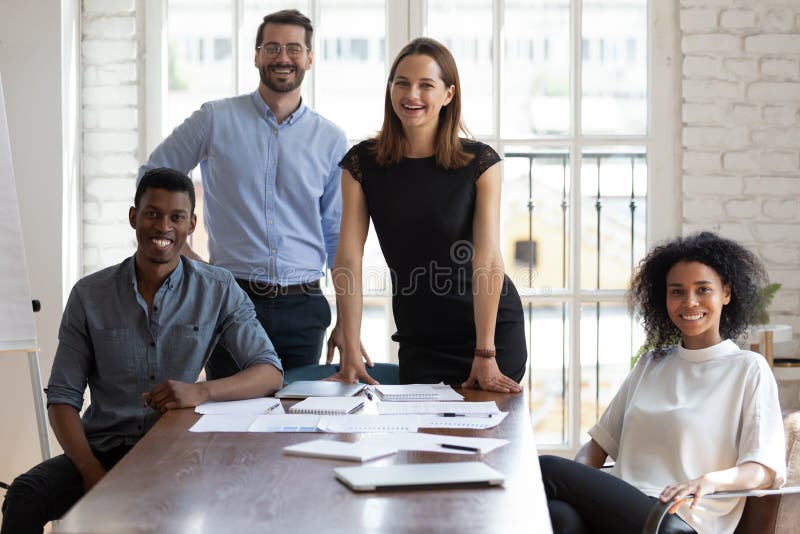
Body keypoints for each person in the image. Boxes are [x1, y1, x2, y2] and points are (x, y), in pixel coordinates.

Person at [0, 168, 284, 534]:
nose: (163, 226)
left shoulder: (217, 287)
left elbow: (269, 371)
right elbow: (61, 400)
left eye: (176, 217)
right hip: (102, 449)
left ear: (191, 224)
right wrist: (91, 472)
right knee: (24, 494)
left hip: (178, 450)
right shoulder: (89, 295)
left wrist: (200, 391)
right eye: (152, 213)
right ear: (134, 216)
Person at [138, 9, 370, 380]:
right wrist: (189, 258)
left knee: (299, 421)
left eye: (294, 49)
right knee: (230, 423)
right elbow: (152, 176)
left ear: (309, 58)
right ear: (257, 55)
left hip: (303, 306)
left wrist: (348, 321)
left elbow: (337, 239)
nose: (283, 57)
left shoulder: (331, 139)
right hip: (231, 300)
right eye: (272, 47)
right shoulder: (215, 119)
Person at [539, 231, 786, 534]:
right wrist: (578, 484)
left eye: (703, 289)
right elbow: (597, 446)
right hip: (620, 510)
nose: (689, 301)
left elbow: (762, 469)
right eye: (677, 291)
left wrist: (708, 481)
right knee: (559, 516)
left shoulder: (749, 369)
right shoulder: (651, 363)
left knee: (548, 468)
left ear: (726, 293)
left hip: (679, 520)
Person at [331, 37, 527, 391]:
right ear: (390, 89)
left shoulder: (480, 163)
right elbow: (348, 258)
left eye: (426, 85)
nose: (412, 95)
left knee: (486, 443)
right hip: (419, 338)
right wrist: (349, 337)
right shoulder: (361, 163)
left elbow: (487, 260)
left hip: (487, 335)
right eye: (402, 83)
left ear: (449, 94)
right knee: (420, 445)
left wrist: (484, 352)